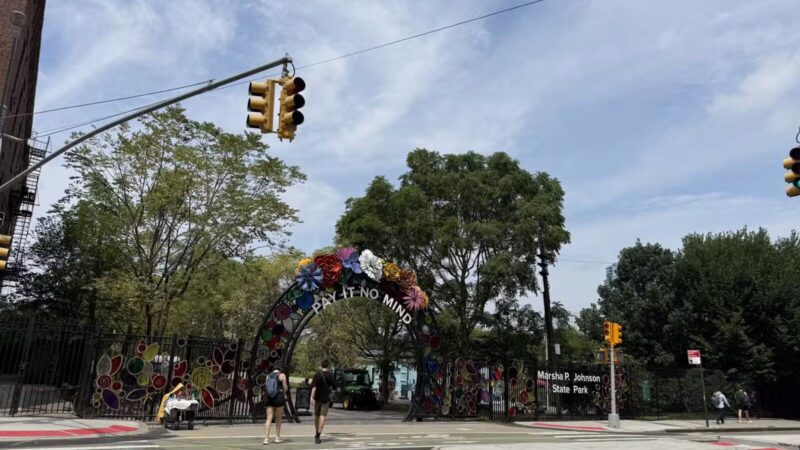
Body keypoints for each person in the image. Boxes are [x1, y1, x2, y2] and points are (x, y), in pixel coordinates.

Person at [310, 360, 336, 444]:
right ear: (328, 366)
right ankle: (318, 434)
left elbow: (314, 387)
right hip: (325, 399)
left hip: (317, 398)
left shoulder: (317, 375)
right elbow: (334, 387)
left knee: (316, 416)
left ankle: (316, 431)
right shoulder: (330, 375)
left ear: (321, 366)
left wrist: (311, 397)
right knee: (323, 416)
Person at [263, 363, 289, 445]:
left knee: (268, 418)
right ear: (280, 369)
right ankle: (277, 437)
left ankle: (266, 438)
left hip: (269, 399)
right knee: (278, 419)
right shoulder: (282, 375)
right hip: (278, 398)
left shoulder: (268, 376)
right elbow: (285, 388)